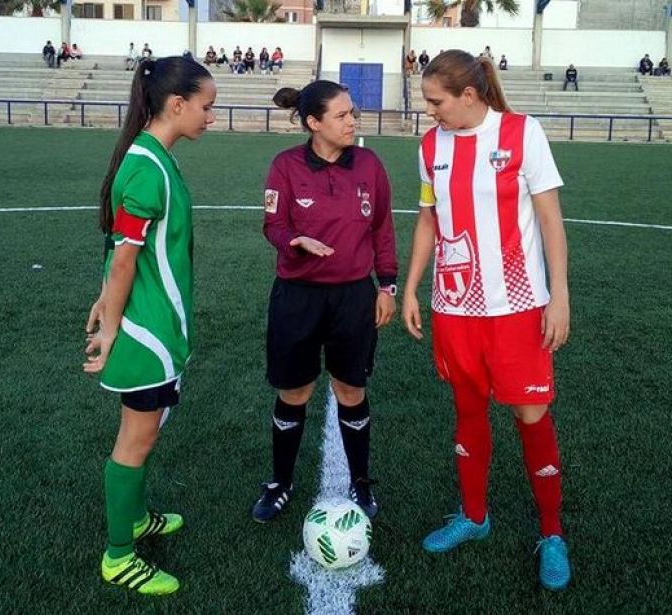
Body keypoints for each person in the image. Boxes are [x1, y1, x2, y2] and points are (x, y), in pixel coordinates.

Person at [403, 50, 572, 592]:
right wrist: (412, 287)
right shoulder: (431, 147)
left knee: (531, 415)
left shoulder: (523, 133)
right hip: (455, 309)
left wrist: (560, 295)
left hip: (517, 308)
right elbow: (428, 219)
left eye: (436, 101)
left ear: (469, 95)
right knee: (468, 410)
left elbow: (550, 218)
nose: (430, 111)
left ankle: (552, 533)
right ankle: (474, 516)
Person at [83, 56, 217, 596]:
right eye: (207, 106)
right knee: (134, 442)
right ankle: (119, 556)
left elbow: (120, 248)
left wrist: (104, 298)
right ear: (177, 104)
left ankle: (136, 518)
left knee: (146, 434)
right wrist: (111, 327)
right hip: (146, 334)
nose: (211, 116)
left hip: (158, 326)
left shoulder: (155, 157)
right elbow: (123, 258)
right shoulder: (146, 166)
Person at [251, 80, 398, 524]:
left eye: (353, 113)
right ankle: (280, 482)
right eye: (342, 115)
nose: (352, 121)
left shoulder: (369, 164)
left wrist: (387, 286)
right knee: (294, 391)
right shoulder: (286, 165)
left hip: (354, 296)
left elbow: (382, 228)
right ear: (314, 122)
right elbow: (273, 224)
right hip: (297, 297)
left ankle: (360, 480)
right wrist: (293, 240)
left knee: (351, 389)